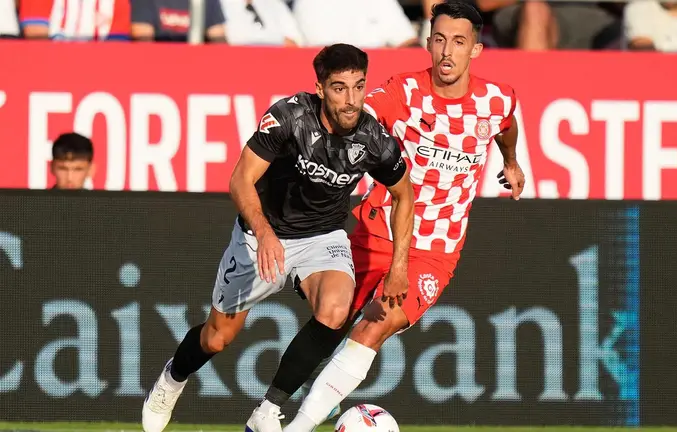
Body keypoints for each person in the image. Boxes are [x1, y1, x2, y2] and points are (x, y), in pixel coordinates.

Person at [141, 43, 415, 432]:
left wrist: (400, 266)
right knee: (217, 338)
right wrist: (264, 231)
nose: (351, 100)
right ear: (320, 88)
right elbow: (240, 178)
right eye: (339, 88)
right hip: (261, 234)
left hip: (323, 236)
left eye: (358, 86)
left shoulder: (374, 140)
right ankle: (173, 378)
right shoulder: (289, 117)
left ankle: (269, 408)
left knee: (336, 310)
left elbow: (405, 195)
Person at [282, 2, 525, 431]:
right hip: (377, 231)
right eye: (440, 39)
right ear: (428, 42)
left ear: (476, 49)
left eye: (459, 42)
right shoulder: (404, 91)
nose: (447, 51)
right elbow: (360, 117)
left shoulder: (497, 99)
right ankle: (274, 407)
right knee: (329, 323)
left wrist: (511, 161)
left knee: (373, 328)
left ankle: (297, 428)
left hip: (434, 250)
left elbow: (506, 125)